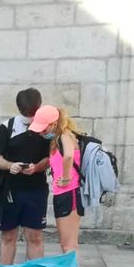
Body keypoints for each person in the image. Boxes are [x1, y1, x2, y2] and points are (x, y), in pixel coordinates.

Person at [0, 88, 51, 264]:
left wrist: (37, 167)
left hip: (36, 190)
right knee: (8, 236)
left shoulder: (46, 129)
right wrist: (11, 166)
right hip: (9, 191)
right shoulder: (6, 127)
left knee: (35, 236)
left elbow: (51, 158)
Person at [31, 105, 83, 254]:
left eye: (44, 128)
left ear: (54, 124)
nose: (41, 132)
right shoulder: (57, 138)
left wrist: (66, 179)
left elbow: (68, 156)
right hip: (62, 194)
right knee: (65, 244)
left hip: (70, 192)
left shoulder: (65, 135)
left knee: (69, 245)